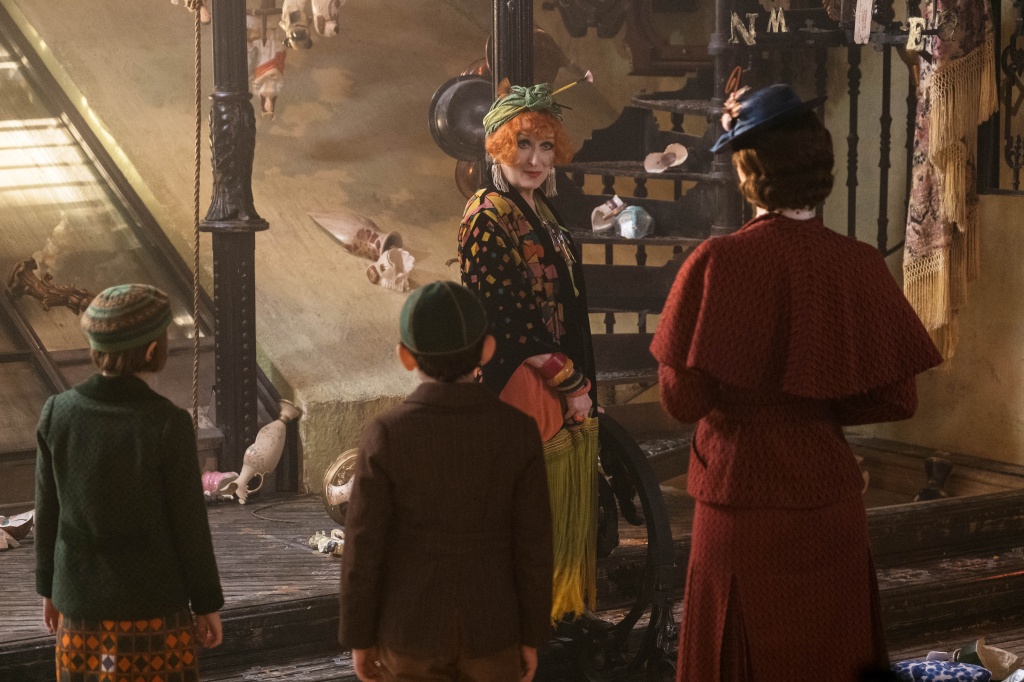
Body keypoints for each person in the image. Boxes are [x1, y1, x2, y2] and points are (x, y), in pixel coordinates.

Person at [650, 84, 944, 682]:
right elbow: (896, 396)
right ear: (820, 167)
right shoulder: (859, 262)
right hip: (828, 495)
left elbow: (681, 400)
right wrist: (816, 398)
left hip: (740, 496)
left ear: (747, 171)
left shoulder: (718, 261)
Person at [338, 280, 554, 682]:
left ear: (405, 356)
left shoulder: (386, 433)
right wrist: (532, 634)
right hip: (495, 629)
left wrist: (359, 637)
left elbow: (363, 547)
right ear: (487, 350)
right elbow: (534, 544)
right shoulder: (518, 431)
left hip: (408, 631)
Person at [458, 79, 599, 621]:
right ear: (497, 148)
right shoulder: (485, 214)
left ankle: (550, 613)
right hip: (518, 377)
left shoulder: (543, 209)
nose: (536, 159)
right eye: (522, 145)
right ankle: (518, 617)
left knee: (551, 507)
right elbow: (506, 318)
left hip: (556, 371)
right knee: (531, 506)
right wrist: (570, 382)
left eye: (545, 146)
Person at [35, 283, 224, 682]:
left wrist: (49, 588)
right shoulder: (168, 423)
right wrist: (207, 602)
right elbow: (189, 525)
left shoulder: (57, 413)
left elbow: (47, 511)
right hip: (154, 610)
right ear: (153, 350)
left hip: (79, 606)